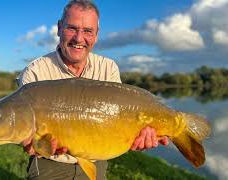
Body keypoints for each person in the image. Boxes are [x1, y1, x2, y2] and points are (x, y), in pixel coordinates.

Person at [18, 0, 168, 179]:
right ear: (59, 28)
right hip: (49, 165)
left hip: (95, 163)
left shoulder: (108, 68)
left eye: (88, 31)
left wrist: (140, 136)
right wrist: (28, 142)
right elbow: (24, 130)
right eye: (72, 28)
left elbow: (120, 120)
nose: (79, 38)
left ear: (96, 35)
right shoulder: (35, 72)